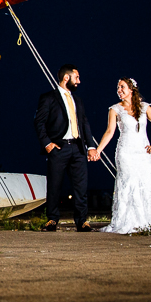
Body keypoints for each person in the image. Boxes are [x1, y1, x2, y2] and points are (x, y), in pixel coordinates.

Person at [94, 77, 151, 234]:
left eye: (122, 87)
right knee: (127, 183)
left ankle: (148, 219)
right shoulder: (114, 109)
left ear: (131, 89)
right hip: (125, 152)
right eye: (118, 88)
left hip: (143, 153)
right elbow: (110, 132)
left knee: (146, 183)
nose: (119, 90)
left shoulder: (145, 107)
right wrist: (98, 150)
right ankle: (128, 221)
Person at [34, 64, 99, 232]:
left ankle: (82, 221)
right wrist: (47, 144)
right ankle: (52, 220)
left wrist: (91, 146)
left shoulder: (78, 100)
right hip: (59, 148)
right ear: (66, 78)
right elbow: (39, 122)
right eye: (76, 78)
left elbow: (84, 123)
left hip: (78, 148)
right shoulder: (48, 98)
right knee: (54, 185)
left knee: (81, 186)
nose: (79, 81)